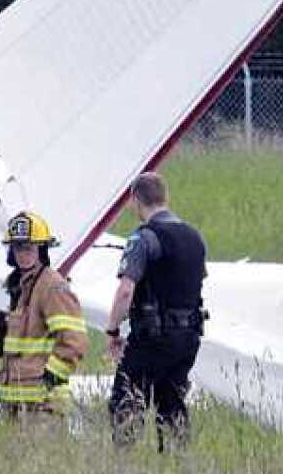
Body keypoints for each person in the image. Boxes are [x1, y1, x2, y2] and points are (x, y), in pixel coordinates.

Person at [105, 172, 207, 451]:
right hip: (188, 338)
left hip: (153, 338)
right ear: (166, 198)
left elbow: (126, 290)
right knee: (171, 404)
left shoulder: (144, 238)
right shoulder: (194, 237)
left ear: (135, 200)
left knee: (125, 402)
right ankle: (179, 462)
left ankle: (124, 464)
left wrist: (113, 330)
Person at [0, 210, 88, 425]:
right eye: (17, 247)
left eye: (28, 247)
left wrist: (51, 377)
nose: (22, 254)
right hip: (13, 402)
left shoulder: (52, 286)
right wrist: (3, 335)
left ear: (41, 249)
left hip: (42, 407)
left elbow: (74, 341)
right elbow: (29, 339)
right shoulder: (20, 287)